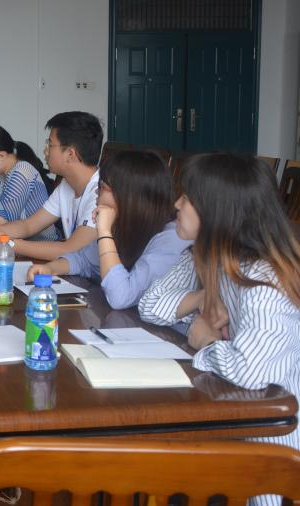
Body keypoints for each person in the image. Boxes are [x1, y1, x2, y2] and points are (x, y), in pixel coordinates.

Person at [138, 154, 300, 505]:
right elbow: (150, 304)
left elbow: (251, 370)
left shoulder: (264, 281)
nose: (176, 204)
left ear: (216, 212)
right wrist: (199, 300)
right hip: (229, 419)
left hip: (273, 446)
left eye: (187, 198)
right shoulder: (207, 256)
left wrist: (205, 341)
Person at [29, 150, 191, 309]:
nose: (96, 192)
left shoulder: (171, 238)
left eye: (102, 187)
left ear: (129, 196)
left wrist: (105, 232)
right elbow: (84, 260)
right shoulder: (125, 225)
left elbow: (121, 297)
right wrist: (51, 268)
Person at [0, 111, 102, 261]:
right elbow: (28, 226)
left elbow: (69, 249)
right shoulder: (66, 186)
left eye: (50, 144)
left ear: (70, 154)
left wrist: (8, 243)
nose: (45, 150)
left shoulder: (100, 193)